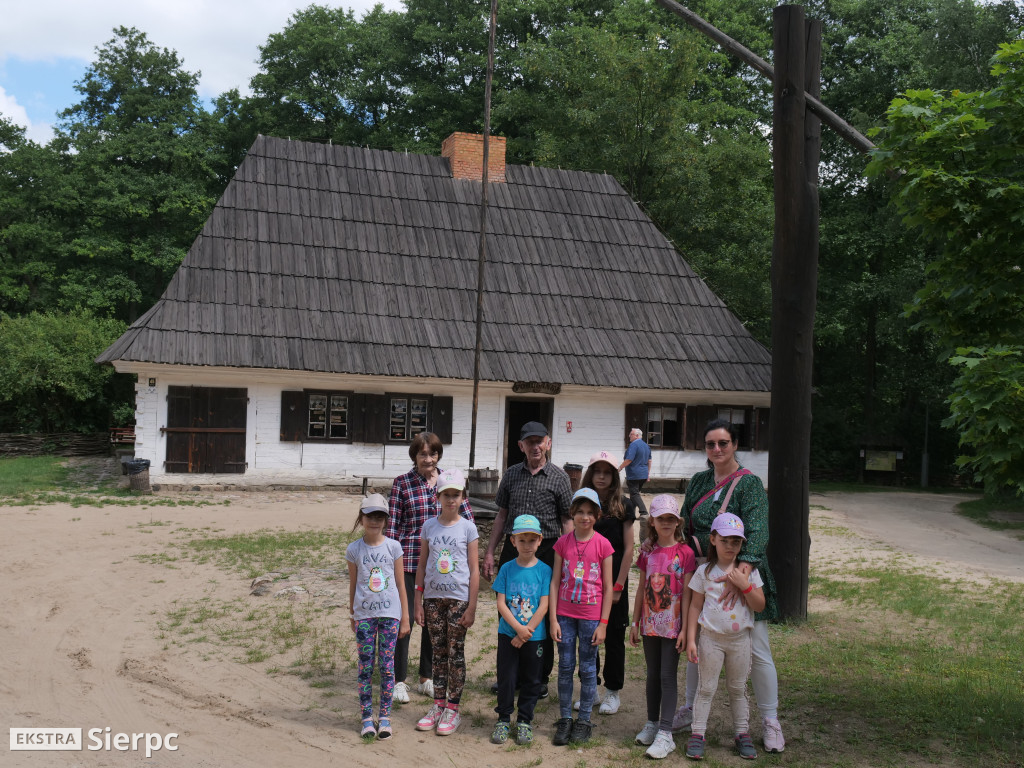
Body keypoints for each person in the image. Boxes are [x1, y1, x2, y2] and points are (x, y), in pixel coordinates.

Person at [673, 418, 786, 754]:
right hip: (704, 573)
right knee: (699, 644)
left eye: (723, 443)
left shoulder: (750, 485)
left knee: (758, 650)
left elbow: (759, 530)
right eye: (710, 444)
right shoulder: (698, 482)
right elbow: (684, 525)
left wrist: (741, 576)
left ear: (735, 444)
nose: (717, 450)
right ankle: (693, 710)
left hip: (744, 574)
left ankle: (770, 720)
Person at [483, 421, 572, 696]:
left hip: (547, 551)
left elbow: (566, 519)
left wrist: (568, 558)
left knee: (542, 614)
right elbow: (501, 515)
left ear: (548, 443)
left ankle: (538, 678)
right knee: (508, 611)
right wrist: (490, 551)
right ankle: (510, 674)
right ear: (521, 446)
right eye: (529, 442)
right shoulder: (511, 475)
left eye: (539, 441)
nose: (535, 446)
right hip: (513, 549)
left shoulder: (560, 478)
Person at [387, 432, 473, 704]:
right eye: (422, 454)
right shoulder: (402, 483)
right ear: (414, 455)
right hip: (410, 561)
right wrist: (388, 561)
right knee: (406, 620)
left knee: (433, 622)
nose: (428, 459)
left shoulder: (450, 481)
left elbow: (467, 517)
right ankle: (398, 679)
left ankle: (426, 676)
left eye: (432, 454)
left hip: (443, 567)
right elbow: (392, 527)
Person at [684, 513, 766, 761]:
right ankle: (697, 734)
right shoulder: (703, 572)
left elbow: (760, 606)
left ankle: (742, 733)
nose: (730, 546)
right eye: (725, 540)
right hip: (710, 639)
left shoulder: (748, 572)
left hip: (740, 641)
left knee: (737, 688)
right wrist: (690, 638)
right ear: (713, 539)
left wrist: (745, 585)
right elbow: (695, 607)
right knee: (706, 688)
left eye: (736, 542)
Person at [413, 468, 479, 736]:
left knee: (455, 652)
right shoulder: (429, 526)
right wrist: (417, 601)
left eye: (455, 494)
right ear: (437, 496)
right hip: (432, 600)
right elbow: (421, 566)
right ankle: (438, 704)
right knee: (437, 654)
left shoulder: (468, 528)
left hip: (458, 600)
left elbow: (474, 570)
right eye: (446, 495)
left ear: (463, 496)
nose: (451, 500)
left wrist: (472, 606)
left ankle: (453, 707)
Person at [630, 494, 696, 759]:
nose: (666, 523)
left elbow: (690, 595)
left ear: (677, 522)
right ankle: (652, 723)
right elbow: (640, 589)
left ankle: (666, 733)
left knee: (668, 676)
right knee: (652, 675)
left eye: (671, 518)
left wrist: (685, 629)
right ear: (653, 522)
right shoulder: (647, 553)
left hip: (673, 628)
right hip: (649, 625)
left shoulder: (686, 553)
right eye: (661, 519)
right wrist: (635, 622)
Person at [573, 450, 637, 716]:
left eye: (607, 472)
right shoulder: (583, 504)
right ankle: (591, 689)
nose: (601, 476)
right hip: (588, 585)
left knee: (613, 639)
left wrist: (619, 586)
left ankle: (613, 691)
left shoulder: (624, 506)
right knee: (589, 638)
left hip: (615, 587)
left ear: (614, 476)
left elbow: (629, 548)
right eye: (597, 471)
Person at [549, 487, 614, 746]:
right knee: (565, 668)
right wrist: (553, 619)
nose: (584, 517)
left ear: (597, 515)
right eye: (580, 512)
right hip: (564, 614)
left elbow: (608, 587)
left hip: (591, 618)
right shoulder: (562, 543)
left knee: (588, 669)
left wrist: (604, 623)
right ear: (572, 514)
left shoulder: (603, 545)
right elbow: (555, 582)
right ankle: (565, 718)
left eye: (590, 513)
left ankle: (584, 720)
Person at [345, 493, 411, 740]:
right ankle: (366, 718)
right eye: (370, 516)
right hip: (364, 616)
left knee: (386, 667)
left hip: (390, 616)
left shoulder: (394, 547)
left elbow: (401, 584)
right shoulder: (354, 550)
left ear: (386, 519)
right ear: (361, 518)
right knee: (365, 668)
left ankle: (384, 717)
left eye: (379, 516)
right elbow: (353, 584)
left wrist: (404, 617)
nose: (374, 521)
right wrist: (352, 613)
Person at [490, 514, 552, 747]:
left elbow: (544, 604)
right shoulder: (506, 568)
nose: (527, 545)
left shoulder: (545, 570)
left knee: (532, 679)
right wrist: (517, 629)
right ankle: (504, 718)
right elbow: (500, 603)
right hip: (508, 635)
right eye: (522, 540)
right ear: (513, 541)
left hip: (534, 637)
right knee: (506, 678)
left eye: (532, 540)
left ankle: (525, 720)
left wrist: (528, 631)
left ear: (540, 541)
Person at [620, 427, 652, 516]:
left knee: (634, 495)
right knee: (634, 495)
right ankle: (631, 513)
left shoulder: (634, 445)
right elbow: (649, 461)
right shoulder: (646, 445)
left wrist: (619, 468)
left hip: (634, 474)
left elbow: (629, 459)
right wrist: (648, 474)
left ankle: (644, 512)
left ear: (637, 436)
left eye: (631, 434)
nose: (629, 436)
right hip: (643, 474)